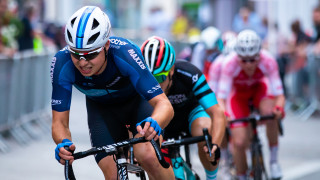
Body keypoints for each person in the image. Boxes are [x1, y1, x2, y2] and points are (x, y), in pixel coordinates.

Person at [51, 6, 175, 180]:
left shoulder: (125, 53)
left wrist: (155, 122)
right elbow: (59, 122)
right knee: (112, 173)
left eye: (90, 54)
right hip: (101, 110)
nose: (83, 62)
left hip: (136, 104)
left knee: (147, 154)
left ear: (106, 46)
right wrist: (63, 143)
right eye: (76, 54)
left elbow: (164, 105)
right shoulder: (61, 62)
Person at [140, 36, 226, 180]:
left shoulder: (189, 73)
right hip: (161, 122)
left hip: (190, 115)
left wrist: (215, 145)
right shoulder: (137, 79)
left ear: (171, 70)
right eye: (150, 79)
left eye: (160, 78)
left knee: (205, 134)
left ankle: (212, 177)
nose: (155, 85)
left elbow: (217, 113)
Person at [217, 30, 285, 180]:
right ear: (237, 56)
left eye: (253, 59)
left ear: (259, 55)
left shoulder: (268, 60)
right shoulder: (229, 63)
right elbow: (221, 99)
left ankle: (274, 162)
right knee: (239, 142)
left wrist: (279, 109)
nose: (248, 64)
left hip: (259, 90)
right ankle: (241, 175)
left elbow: (280, 95)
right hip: (239, 96)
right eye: (244, 60)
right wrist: (225, 115)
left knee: (271, 113)